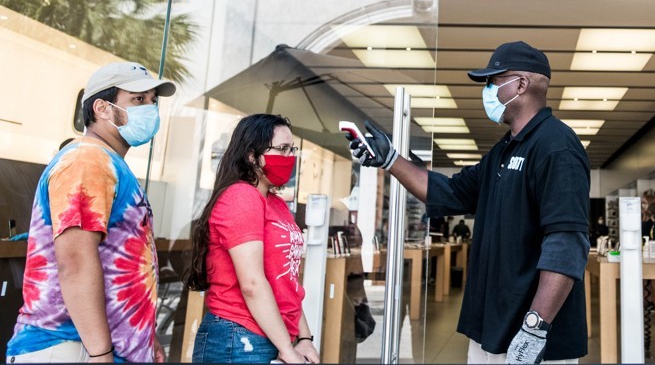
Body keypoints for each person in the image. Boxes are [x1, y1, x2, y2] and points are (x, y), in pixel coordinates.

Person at [348, 41, 590, 364]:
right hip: (491, 330)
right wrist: (390, 159)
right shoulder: (502, 153)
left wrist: (534, 330)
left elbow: (567, 243)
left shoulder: (557, 147)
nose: (488, 90)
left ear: (521, 84)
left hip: (534, 341)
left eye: (493, 81)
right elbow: (448, 192)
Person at [6, 61, 176, 363]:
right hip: (74, 347)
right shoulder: (88, 161)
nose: (150, 108)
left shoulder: (107, 163)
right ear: (102, 108)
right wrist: (101, 353)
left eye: (152, 100)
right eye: (138, 99)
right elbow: (75, 262)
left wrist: (145, 339)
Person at [185, 114, 320, 364]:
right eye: (282, 149)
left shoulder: (275, 203)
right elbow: (252, 283)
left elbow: (285, 280)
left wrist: (304, 338)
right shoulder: (241, 197)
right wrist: (288, 350)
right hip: (238, 338)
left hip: (270, 336)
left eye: (292, 149)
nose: (290, 157)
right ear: (252, 156)